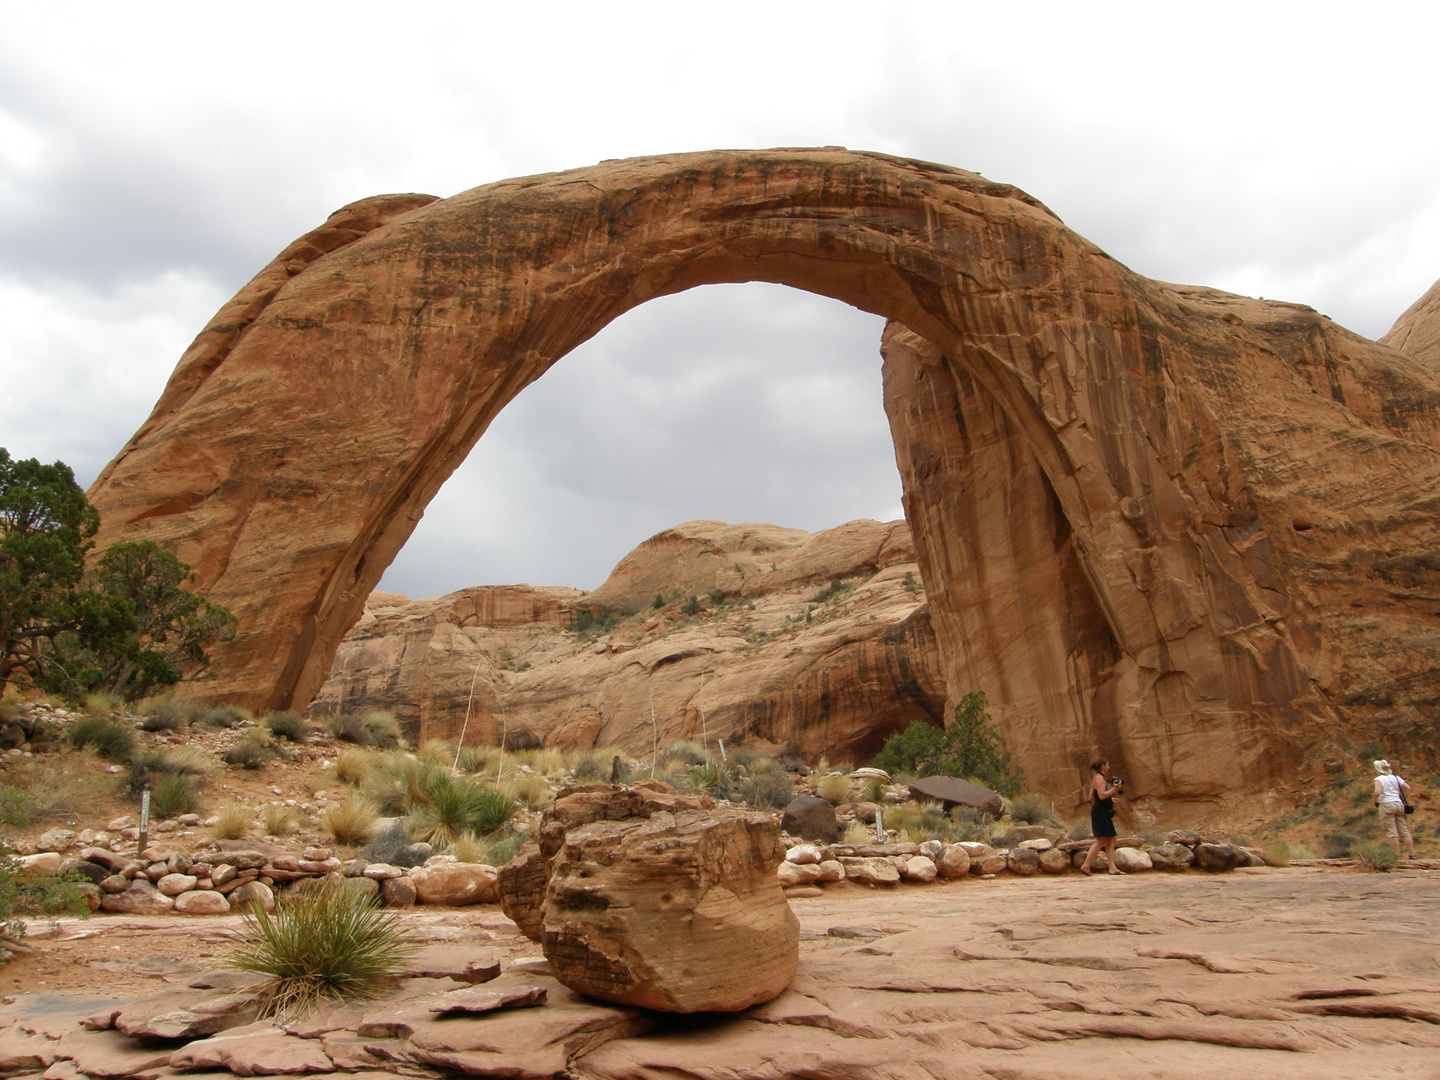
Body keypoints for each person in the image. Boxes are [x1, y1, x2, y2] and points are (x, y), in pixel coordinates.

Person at [1080, 759, 1125, 876]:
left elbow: (1091, 797)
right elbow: (1101, 795)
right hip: (1100, 812)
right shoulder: (1100, 778)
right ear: (1102, 766)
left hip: (1101, 810)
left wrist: (1110, 799)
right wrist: (1115, 789)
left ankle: (1112, 868)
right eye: (1107, 765)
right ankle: (1086, 866)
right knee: (1101, 840)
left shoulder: (1097, 778)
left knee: (1111, 838)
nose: (1109, 767)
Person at [1372, 759, 1415, 860]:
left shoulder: (1379, 779)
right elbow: (1408, 788)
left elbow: (1377, 792)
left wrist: (1375, 801)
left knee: (1392, 831)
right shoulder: (1396, 778)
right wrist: (1400, 799)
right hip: (1398, 804)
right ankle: (1412, 854)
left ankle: (1397, 855)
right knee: (1404, 831)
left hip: (1386, 805)